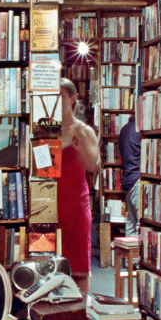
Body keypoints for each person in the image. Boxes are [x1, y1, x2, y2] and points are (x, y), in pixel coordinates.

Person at [56, 79, 99, 279]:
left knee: (78, 270)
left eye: (60, 96)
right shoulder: (46, 131)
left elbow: (94, 166)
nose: (55, 100)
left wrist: (81, 148)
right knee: (50, 271)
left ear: (72, 99)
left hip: (76, 209)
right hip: (50, 208)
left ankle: (79, 310)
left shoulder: (84, 130)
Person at [118, 104, 141, 238]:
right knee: (140, 222)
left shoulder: (124, 129)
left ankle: (128, 259)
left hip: (127, 178)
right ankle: (137, 258)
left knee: (131, 222)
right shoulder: (140, 130)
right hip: (137, 178)